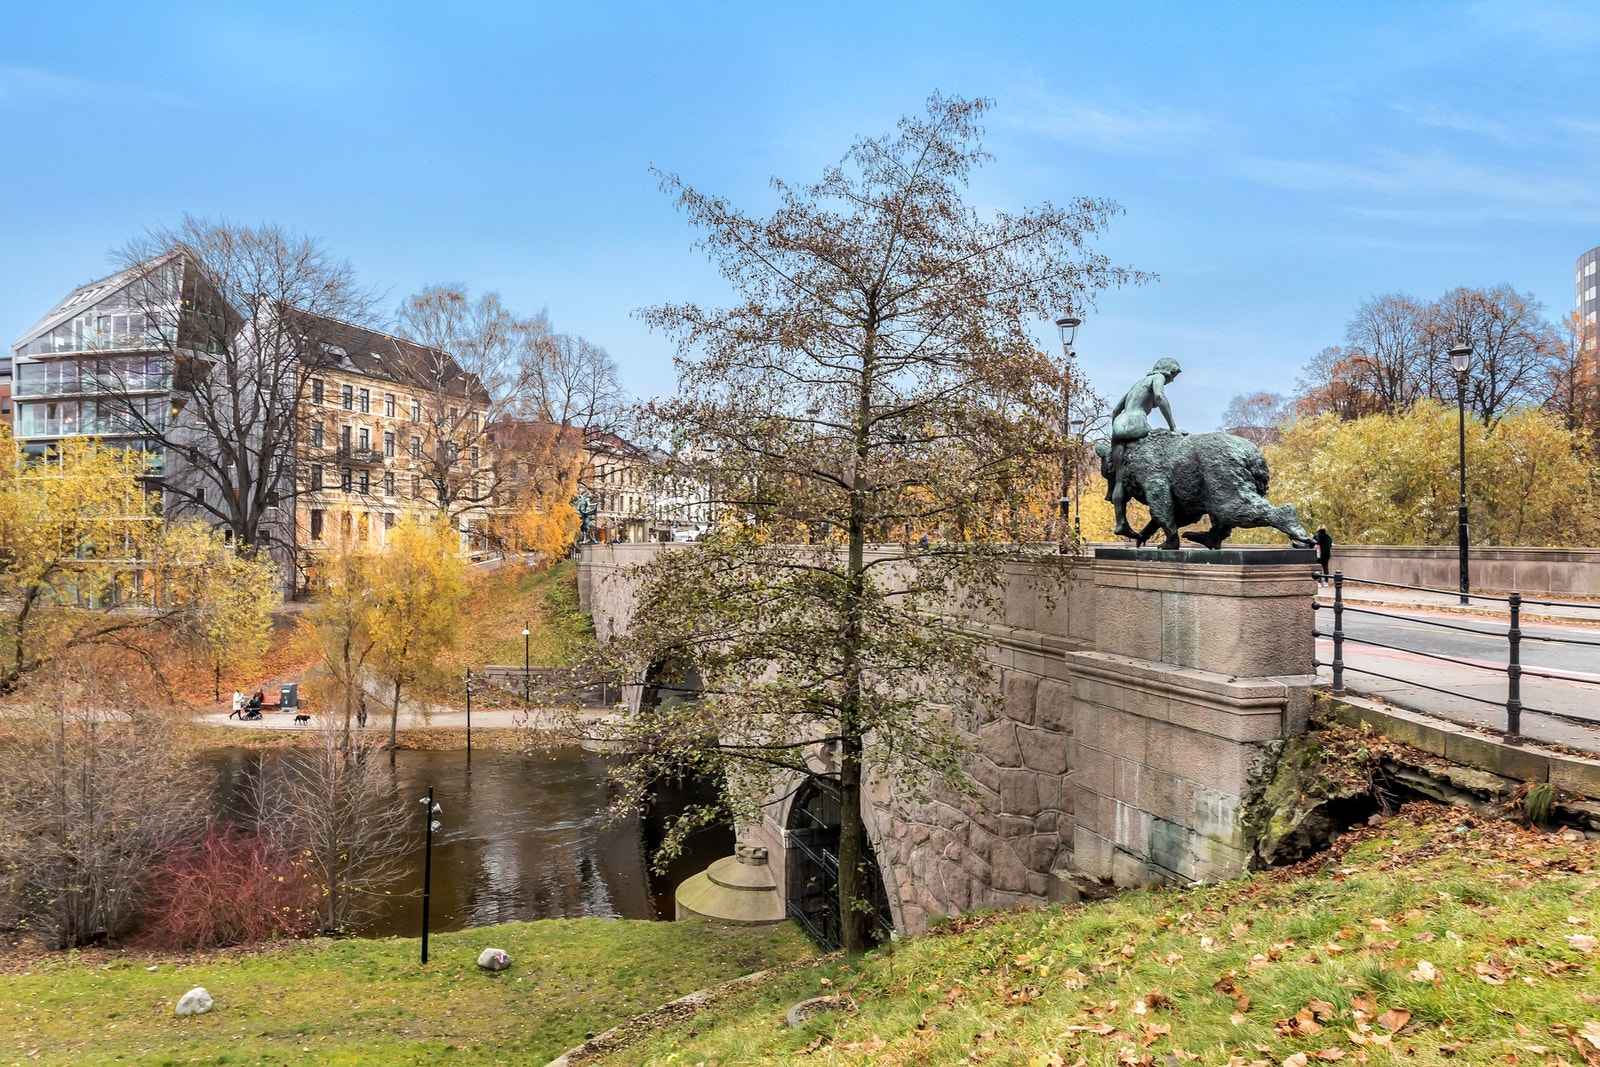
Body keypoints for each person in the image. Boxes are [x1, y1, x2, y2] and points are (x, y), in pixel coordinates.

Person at [1107, 357, 1185, 537]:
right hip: (1137, 422)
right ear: (1168, 371)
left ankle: (1121, 523)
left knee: (1119, 478)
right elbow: (1159, 397)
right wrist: (1173, 427)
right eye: (1173, 375)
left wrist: (1116, 433)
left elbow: (1116, 410)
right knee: (1161, 444)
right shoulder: (1157, 378)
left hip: (1119, 425)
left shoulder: (1137, 384)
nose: (1172, 380)